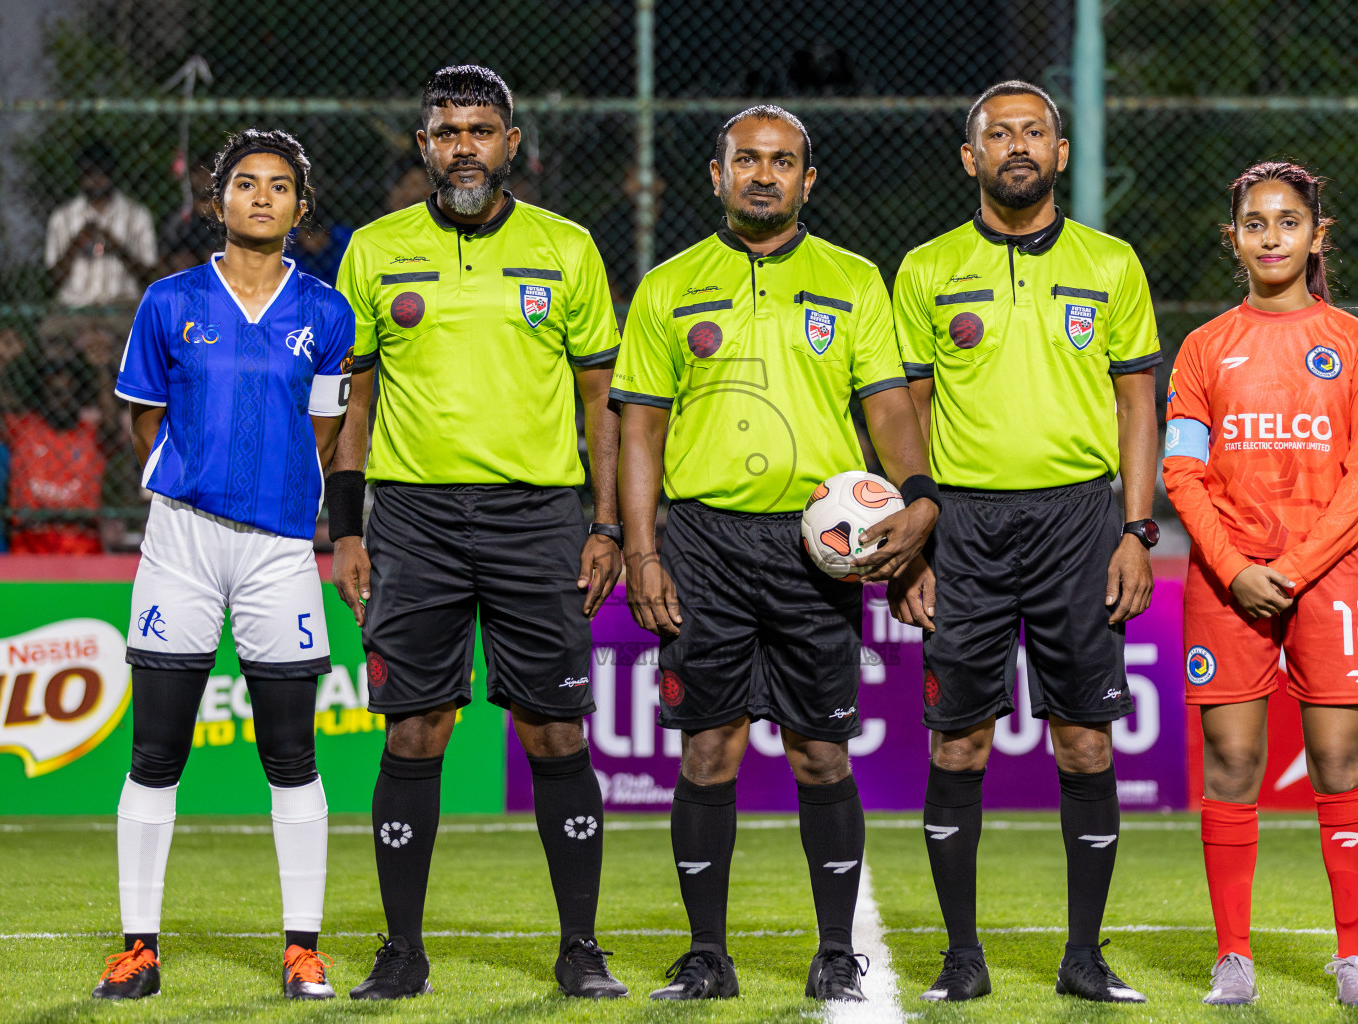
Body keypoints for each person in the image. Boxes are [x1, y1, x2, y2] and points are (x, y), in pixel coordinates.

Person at [614, 104, 940, 1003]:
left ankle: (837, 952)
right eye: (747, 160)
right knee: (707, 753)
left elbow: (889, 413)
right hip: (704, 542)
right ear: (716, 177)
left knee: (820, 756)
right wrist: (643, 551)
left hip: (818, 551)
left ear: (808, 180)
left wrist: (919, 501)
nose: (764, 175)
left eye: (783, 162)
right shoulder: (668, 286)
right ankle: (707, 957)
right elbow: (638, 432)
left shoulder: (854, 281)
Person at [329, 65, 627, 1001]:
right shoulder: (373, 251)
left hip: (538, 516)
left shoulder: (566, 249)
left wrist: (607, 524)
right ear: (424, 147)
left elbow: (601, 403)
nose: (464, 145)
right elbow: (351, 400)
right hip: (413, 519)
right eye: (447, 130)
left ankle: (580, 948)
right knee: (414, 730)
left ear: (512, 146)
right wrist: (345, 529)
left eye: (482, 129)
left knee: (552, 730)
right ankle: (402, 952)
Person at [888, 80, 1161, 1003]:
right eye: (997, 134)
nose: (1016, 146)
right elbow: (907, 416)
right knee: (956, 745)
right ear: (970, 158)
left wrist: (1135, 527)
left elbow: (1136, 405)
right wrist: (913, 539)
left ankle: (1084, 957)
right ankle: (961, 956)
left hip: (1082, 526)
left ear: (1062, 153)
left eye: (1033, 132)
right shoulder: (924, 268)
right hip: (961, 528)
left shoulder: (1113, 263)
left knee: (1085, 743)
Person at [94, 128, 354, 1001]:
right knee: (156, 752)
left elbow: (324, 428)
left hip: (281, 549)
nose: (261, 197)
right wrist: (198, 479)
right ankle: (138, 949)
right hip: (180, 544)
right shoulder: (169, 302)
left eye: (279, 186)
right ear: (218, 201)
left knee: (291, 753)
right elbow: (144, 419)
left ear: (301, 207)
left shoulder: (326, 312)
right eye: (244, 184)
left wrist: (274, 481)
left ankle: (303, 951)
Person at [1163, 161, 1358, 1007]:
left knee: (1337, 758)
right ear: (1234, 238)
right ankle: (1235, 957)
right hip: (1228, 585)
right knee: (1233, 761)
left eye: (1288, 222)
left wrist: (1292, 571)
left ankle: (1353, 958)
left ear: (1316, 235)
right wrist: (1235, 569)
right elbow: (1181, 475)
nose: (1271, 236)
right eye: (1255, 223)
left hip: (1328, 580)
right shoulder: (1202, 349)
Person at [0, 327, 121, 553]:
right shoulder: (25, 428)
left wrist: (102, 369)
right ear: (41, 397)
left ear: (79, 396)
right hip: (29, 538)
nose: (60, 400)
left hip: (80, 540)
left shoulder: (90, 433)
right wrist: (1, 363)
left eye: (68, 393)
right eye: (53, 393)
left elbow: (113, 428)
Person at [45, 143, 157, 310]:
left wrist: (117, 247)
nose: (95, 181)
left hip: (123, 306)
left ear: (111, 175)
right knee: (49, 330)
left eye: (101, 174)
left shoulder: (137, 215)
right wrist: (76, 245)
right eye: (89, 174)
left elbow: (150, 276)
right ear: (80, 176)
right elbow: (52, 280)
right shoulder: (62, 217)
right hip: (72, 306)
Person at [158, 157, 222, 275]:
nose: (202, 178)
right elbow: (163, 256)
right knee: (182, 262)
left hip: (216, 278)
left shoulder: (226, 217)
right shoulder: (179, 217)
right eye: (197, 173)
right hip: (185, 278)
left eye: (208, 173)